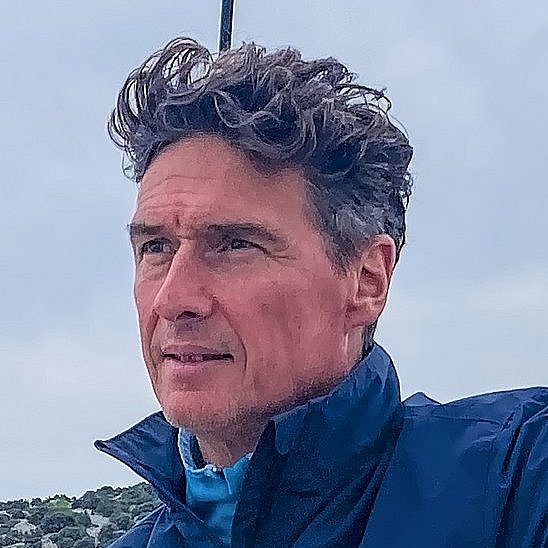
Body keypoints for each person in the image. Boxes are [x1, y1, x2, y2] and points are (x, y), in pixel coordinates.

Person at [95, 37, 547, 547]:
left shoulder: (517, 481)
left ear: (367, 280)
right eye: (155, 247)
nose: (172, 300)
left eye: (236, 245)